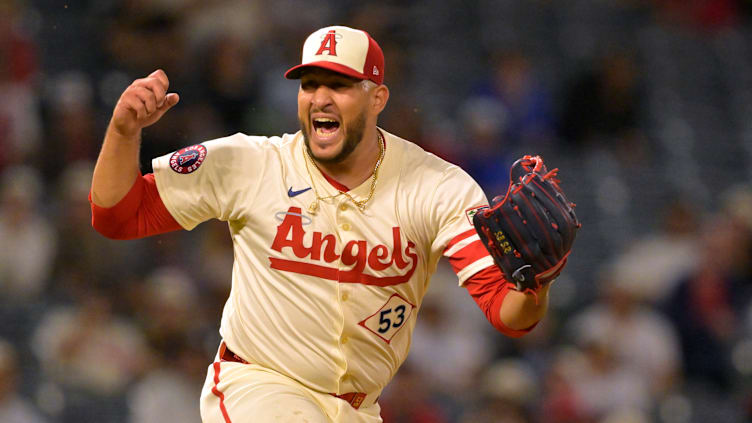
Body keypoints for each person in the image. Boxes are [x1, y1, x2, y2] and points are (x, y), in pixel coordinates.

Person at [90, 25, 554, 423]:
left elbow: (506, 312)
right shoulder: (251, 163)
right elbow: (118, 215)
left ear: (378, 98)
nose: (320, 98)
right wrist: (123, 132)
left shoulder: (437, 187)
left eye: (340, 85)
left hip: (358, 409)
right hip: (259, 387)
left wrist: (538, 282)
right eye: (309, 84)